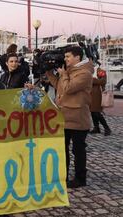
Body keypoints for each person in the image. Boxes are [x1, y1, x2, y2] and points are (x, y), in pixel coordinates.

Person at [45, 46, 94, 188]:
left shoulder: (85, 73)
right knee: (63, 148)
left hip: (78, 117)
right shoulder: (69, 71)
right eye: (65, 57)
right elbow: (60, 87)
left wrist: (63, 74)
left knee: (78, 150)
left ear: (77, 57)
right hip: (64, 116)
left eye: (68, 57)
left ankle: (80, 178)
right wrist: (49, 73)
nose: (65, 59)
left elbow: (69, 88)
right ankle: (63, 175)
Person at [90, 66, 111, 136]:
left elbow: (103, 81)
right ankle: (96, 128)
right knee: (92, 112)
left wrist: (92, 80)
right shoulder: (88, 70)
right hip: (90, 94)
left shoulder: (100, 71)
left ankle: (107, 128)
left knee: (97, 112)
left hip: (97, 95)